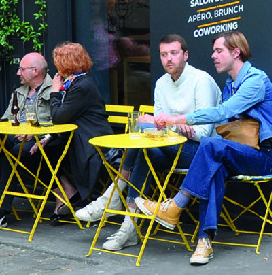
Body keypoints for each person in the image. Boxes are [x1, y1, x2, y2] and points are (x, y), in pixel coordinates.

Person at [136, 31, 272, 266]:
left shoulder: (256, 81)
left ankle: (175, 205)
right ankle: (205, 241)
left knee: (211, 146)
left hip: (260, 157)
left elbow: (222, 113)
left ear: (236, 52)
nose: (213, 56)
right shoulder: (229, 84)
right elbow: (224, 124)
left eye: (218, 51)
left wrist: (175, 120)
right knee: (214, 168)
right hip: (234, 152)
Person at [80, 33, 221, 252]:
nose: (169, 59)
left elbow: (203, 134)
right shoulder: (161, 84)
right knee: (145, 147)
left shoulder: (201, 81)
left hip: (202, 153)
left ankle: (114, 196)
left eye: (174, 53)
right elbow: (160, 129)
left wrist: (170, 126)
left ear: (186, 55)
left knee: (146, 138)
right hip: (170, 148)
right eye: (164, 55)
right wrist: (168, 127)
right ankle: (129, 226)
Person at [0, 52, 53, 230]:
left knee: (11, 155)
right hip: (14, 138)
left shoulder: (54, 91)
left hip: (38, 143)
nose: (18, 73)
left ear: (35, 71)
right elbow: (6, 119)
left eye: (21, 69)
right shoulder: (19, 92)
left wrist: (31, 134)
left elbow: (57, 123)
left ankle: (1, 211)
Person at [41, 42, 112, 220]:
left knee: (45, 153)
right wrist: (49, 136)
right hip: (76, 137)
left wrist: (55, 91)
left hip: (92, 141)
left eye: (58, 62)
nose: (56, 67)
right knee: (39, 151)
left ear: (66, 63)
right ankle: (69, 193)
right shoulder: (76, 82)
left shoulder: (82, 86)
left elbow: (58, 117)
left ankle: (73, 196)